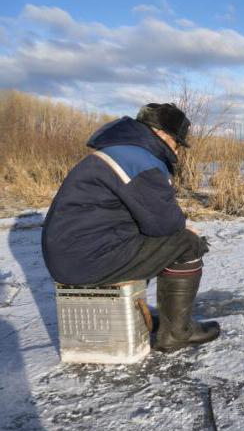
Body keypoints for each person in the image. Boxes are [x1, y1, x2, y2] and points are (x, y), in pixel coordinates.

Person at [41, 103, 220, 352]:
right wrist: (186, 229)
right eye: (178, 144)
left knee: (153, 240)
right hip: (87, 260)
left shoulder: (120, 152)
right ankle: (177, 333)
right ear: (163, 136)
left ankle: (152, 317)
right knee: (186, 243)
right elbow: (164, 226)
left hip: (74, 255)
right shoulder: (141, 162)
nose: (177, 152)